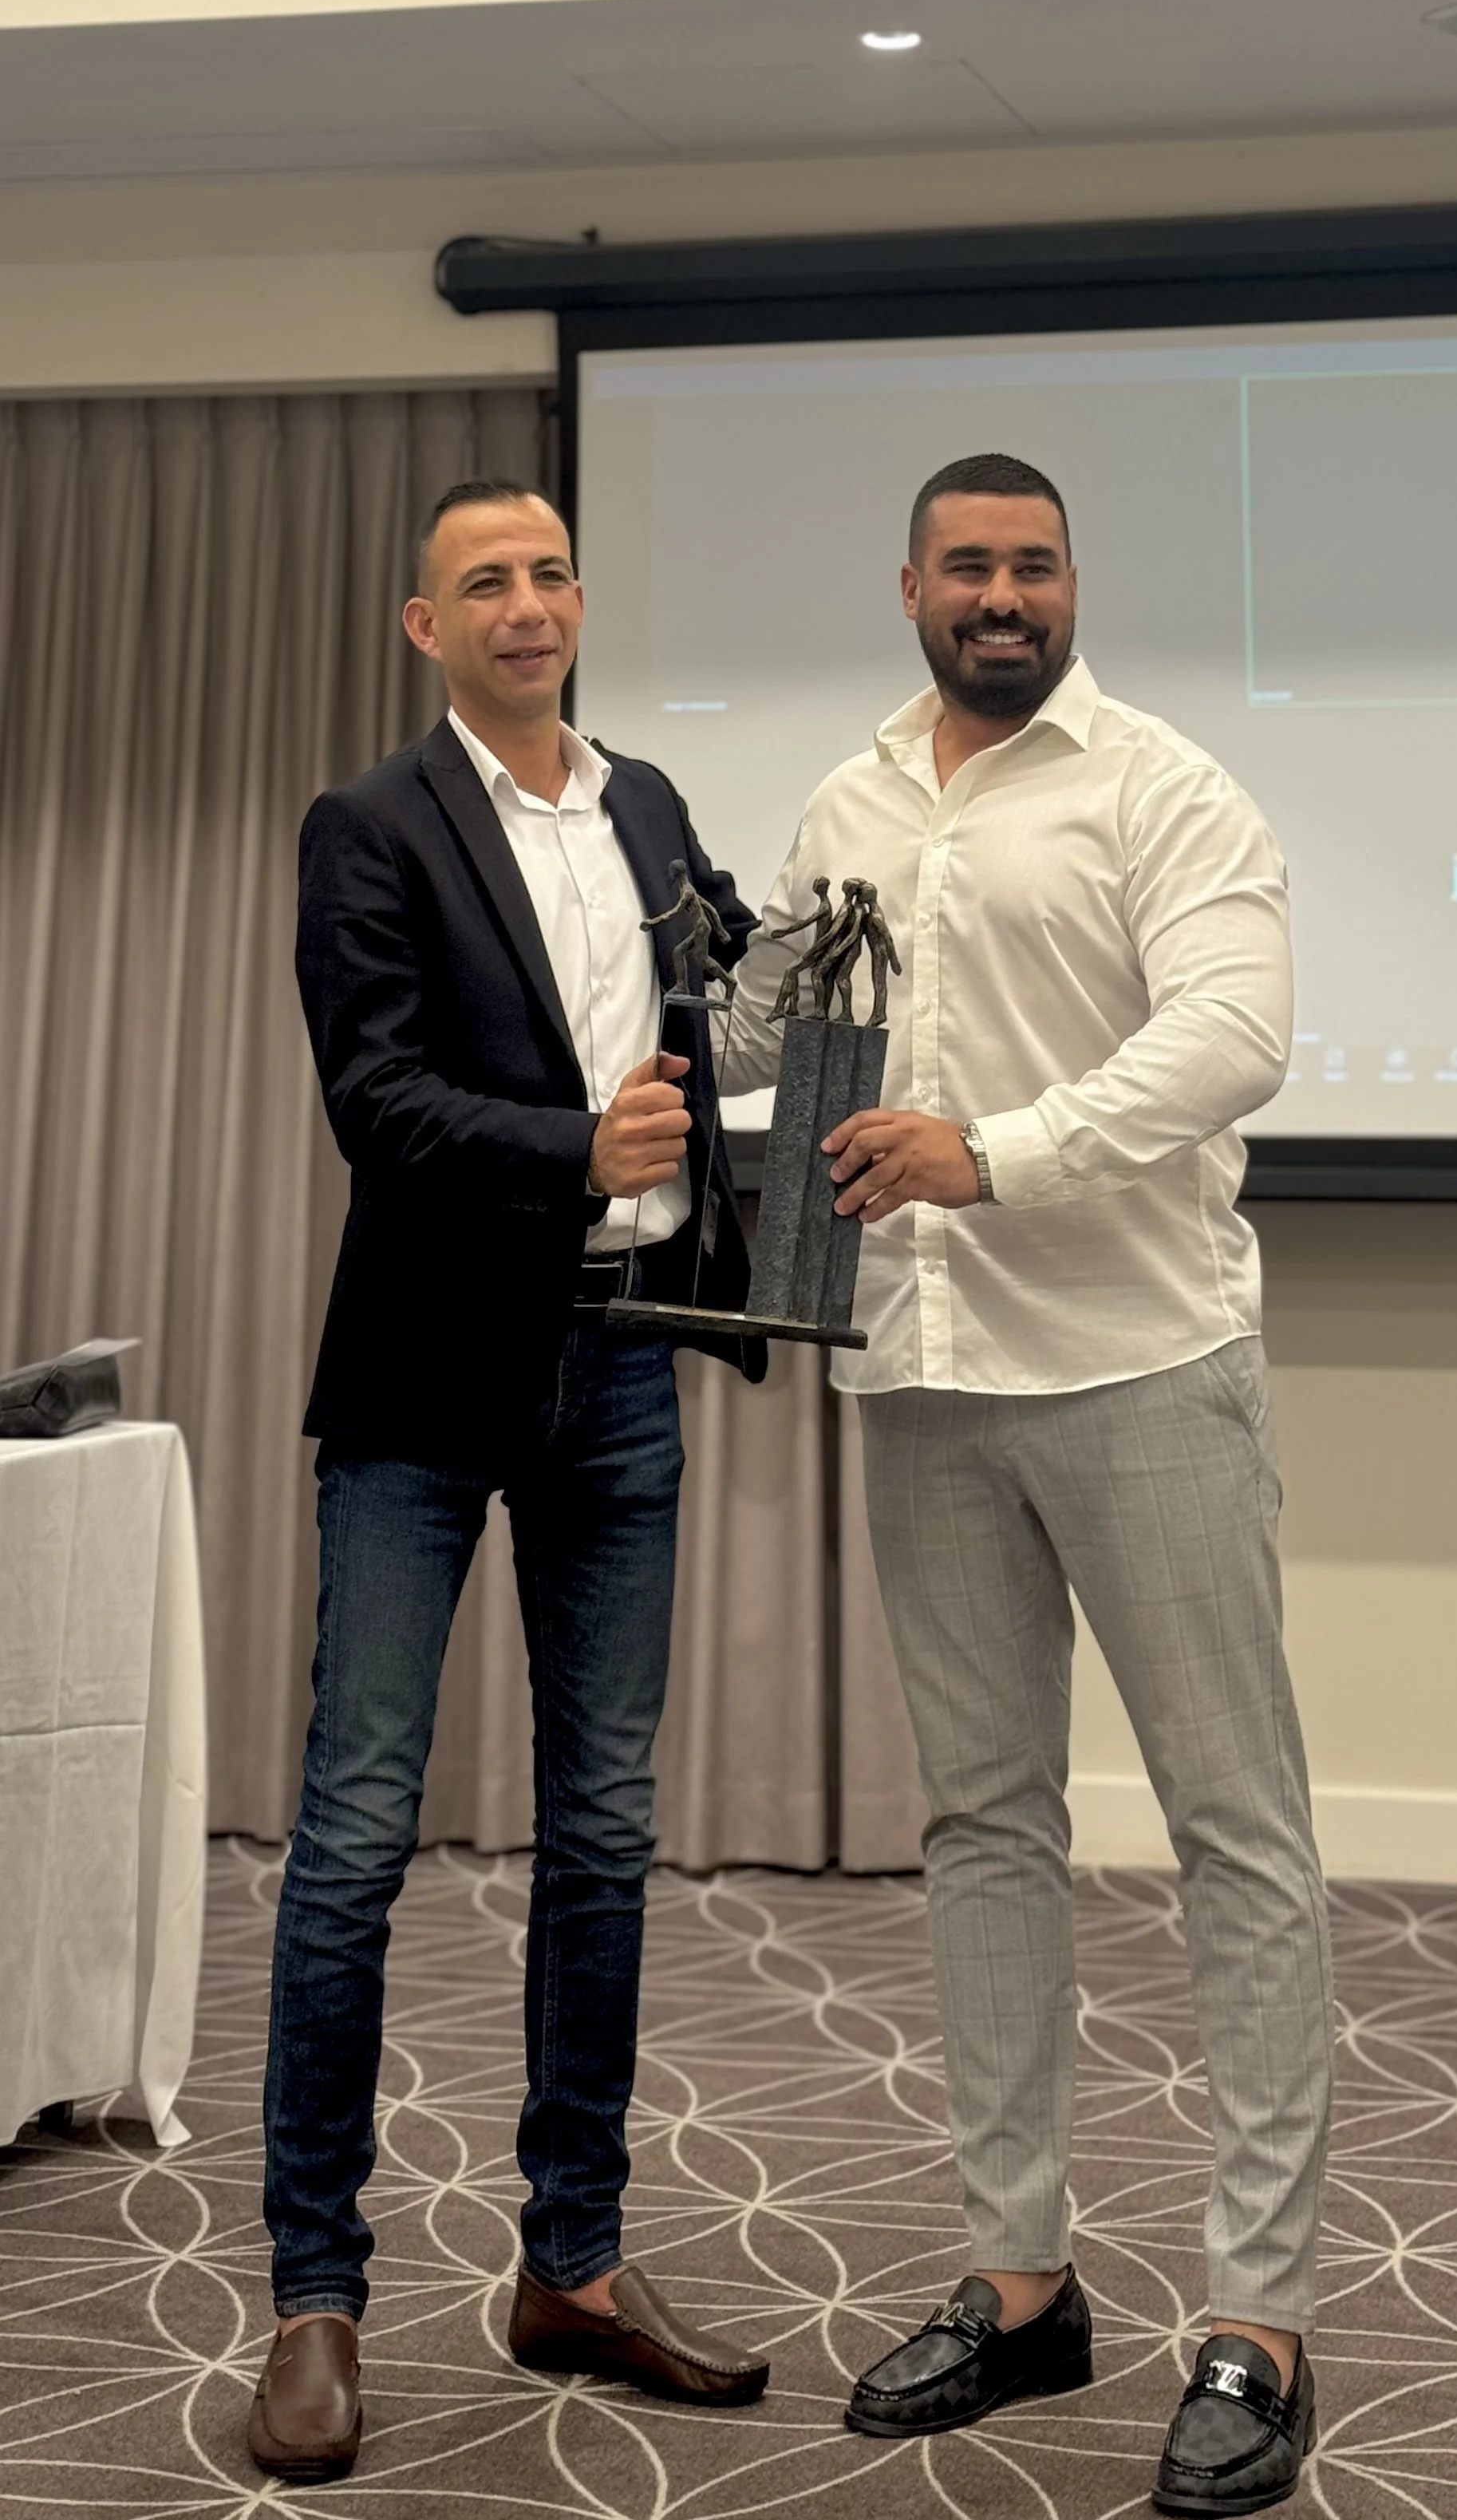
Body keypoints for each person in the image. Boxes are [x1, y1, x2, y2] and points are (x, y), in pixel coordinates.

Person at [724, 453, 1332, 2516]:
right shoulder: (846, 802)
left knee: (1235, 1833)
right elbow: (799, 1044)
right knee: (985, 1829)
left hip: (1145, 1363)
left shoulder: (1167, 788)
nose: (1002, 594)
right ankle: (1022, 2279)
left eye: (1035, 564)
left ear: (1077, 582)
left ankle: (1257, 2319)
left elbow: (1237, 1031)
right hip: (926, 1377)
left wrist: (1005, 1146)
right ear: (910, 582)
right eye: (968, 565)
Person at [249, 478, 771, 2485]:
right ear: (424, 624)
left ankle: (573, 2264)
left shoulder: (645, 807)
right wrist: (587, 1145)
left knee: (606, 1831)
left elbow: (721, 1018)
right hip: (420, 1386)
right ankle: (316, 2292)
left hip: (623, 1377)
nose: (530, 604)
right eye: (489, 582)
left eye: (551, 572)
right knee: (359, 1835)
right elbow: (375, 1094)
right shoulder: (370, 827)